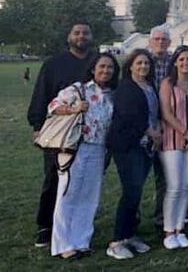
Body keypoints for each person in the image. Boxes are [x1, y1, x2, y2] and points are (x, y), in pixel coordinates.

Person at [27, 21, 94, 248]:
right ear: (69, 37)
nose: (81, 36)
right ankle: (45, 225)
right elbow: (41, 94)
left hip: (90, 132)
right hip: (60, 132)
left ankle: (72, 222)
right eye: (77, 33)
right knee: (54, 178)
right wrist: (37, 126)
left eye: (85, 33)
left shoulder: (97, 63)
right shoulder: (54, 64)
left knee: (82, 181)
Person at [49, 52, 119, 259]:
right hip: (75, 148)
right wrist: (73, 109)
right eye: (102, 66)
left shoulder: (111, 94)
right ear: (93, 68)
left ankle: (81, 240)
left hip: (98, 149)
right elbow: (52, 106)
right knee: (68, 194)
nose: (105, 71)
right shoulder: (78, 89)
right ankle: (62, 244)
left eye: (110, 68)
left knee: (89, 196)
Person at [106, 49, 160, 260]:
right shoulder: (126, 88)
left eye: (146, 63)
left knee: (136, 192)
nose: (143, 67)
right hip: (129, 146)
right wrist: (152, 133)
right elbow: (131, 117)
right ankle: (117, 240)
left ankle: (130, 234)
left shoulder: (149, 86)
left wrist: (155, 134)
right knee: (130, 191)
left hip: (146, 145)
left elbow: (154, 113)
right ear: (130, 66)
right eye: (139, 63)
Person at [158, 46, 188, 250]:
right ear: (175, 62)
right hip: (172, 139)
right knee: (174, 186)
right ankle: (168, 230)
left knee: (186, 186)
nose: (186, 63)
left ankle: (179, 228)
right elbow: (166, 113)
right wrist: (186, 132)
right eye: (182, 59)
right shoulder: (167, 83)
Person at [148, 25, 172, 228]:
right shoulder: (141, 61)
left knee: (164, 175)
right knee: (136, 178)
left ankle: (162, 216)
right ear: (150, 41)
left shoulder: (174, 63)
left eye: (164, 39)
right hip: (145, 124)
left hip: (167, 124)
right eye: (156, 39)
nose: (160, 43)